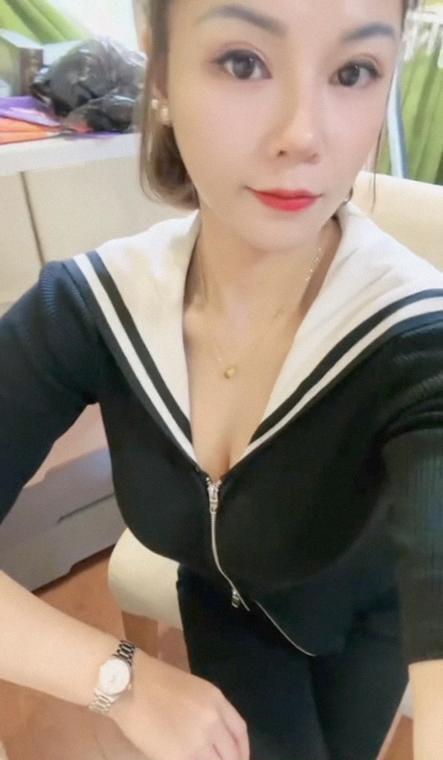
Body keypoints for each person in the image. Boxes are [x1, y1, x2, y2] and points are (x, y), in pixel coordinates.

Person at [1, 1, 442, 759]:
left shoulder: (417, 341)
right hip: (223, 615)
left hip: (367, 627)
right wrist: (120, 680)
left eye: (352, 72)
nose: (304, 135)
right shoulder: (90, 309)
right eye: (244, 63)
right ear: (160, 65)